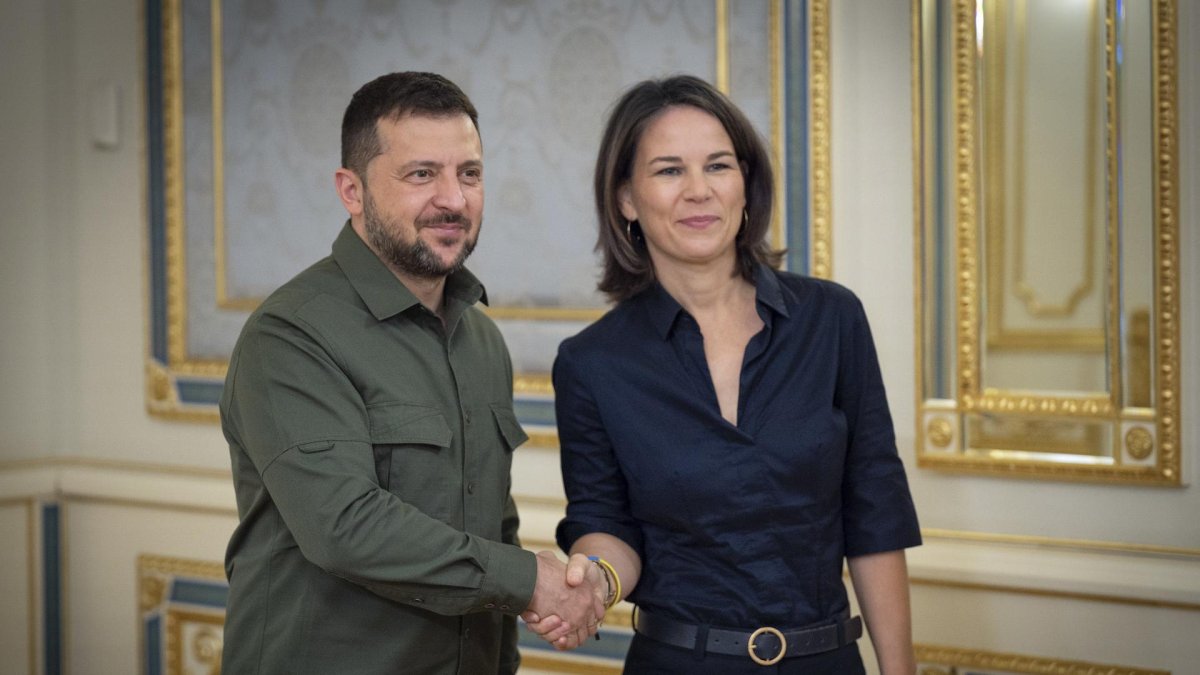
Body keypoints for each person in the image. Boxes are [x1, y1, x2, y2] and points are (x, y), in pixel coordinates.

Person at [524, 75, 922, 673]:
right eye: (667, 171)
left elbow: (874, 511)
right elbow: (607, 526)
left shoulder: (833, 319)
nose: (698, 191)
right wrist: (596, 583)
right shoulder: (591, 362)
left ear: (745, 183)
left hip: (826, 660)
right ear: (626, 199)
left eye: (717, 165)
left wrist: (900, 669)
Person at [219, 71, 604, 674]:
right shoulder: (290, 334)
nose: (453, 199)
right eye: (421, 174)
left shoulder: (482, 339)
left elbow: (492, 525)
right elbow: (344, 526)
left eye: (469, 174)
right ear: (352, 190)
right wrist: (533, 581)